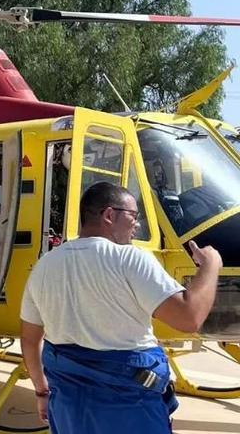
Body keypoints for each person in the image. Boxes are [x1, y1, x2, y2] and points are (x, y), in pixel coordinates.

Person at [20, 182, 221, 433]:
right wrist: (210, 266)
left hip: (69, 407)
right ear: (109, 215)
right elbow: (189, 318)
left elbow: (29, 340)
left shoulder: (44, 266)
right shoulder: (130, 258)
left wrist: (42, 392)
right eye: (133, 216)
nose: (137, 225)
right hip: (130, 408)